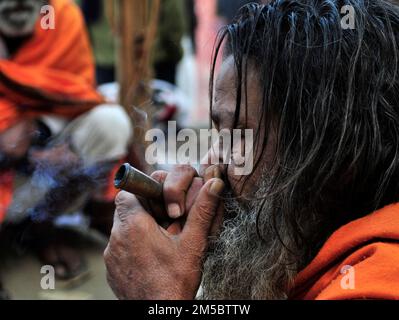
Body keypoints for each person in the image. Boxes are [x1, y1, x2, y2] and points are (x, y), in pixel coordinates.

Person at [104, 0, 399, 300]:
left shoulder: (377, 281)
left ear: (338, 157)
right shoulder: (306, 259)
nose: (210, 164)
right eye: (220, 134)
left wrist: (160, 296)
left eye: (240, 136)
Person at [0, 0, 132, 291]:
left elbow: (77, 90)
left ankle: (41, 227)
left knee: (111, 122)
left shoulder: (62, 16)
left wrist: (37, 138)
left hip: (41, 149)